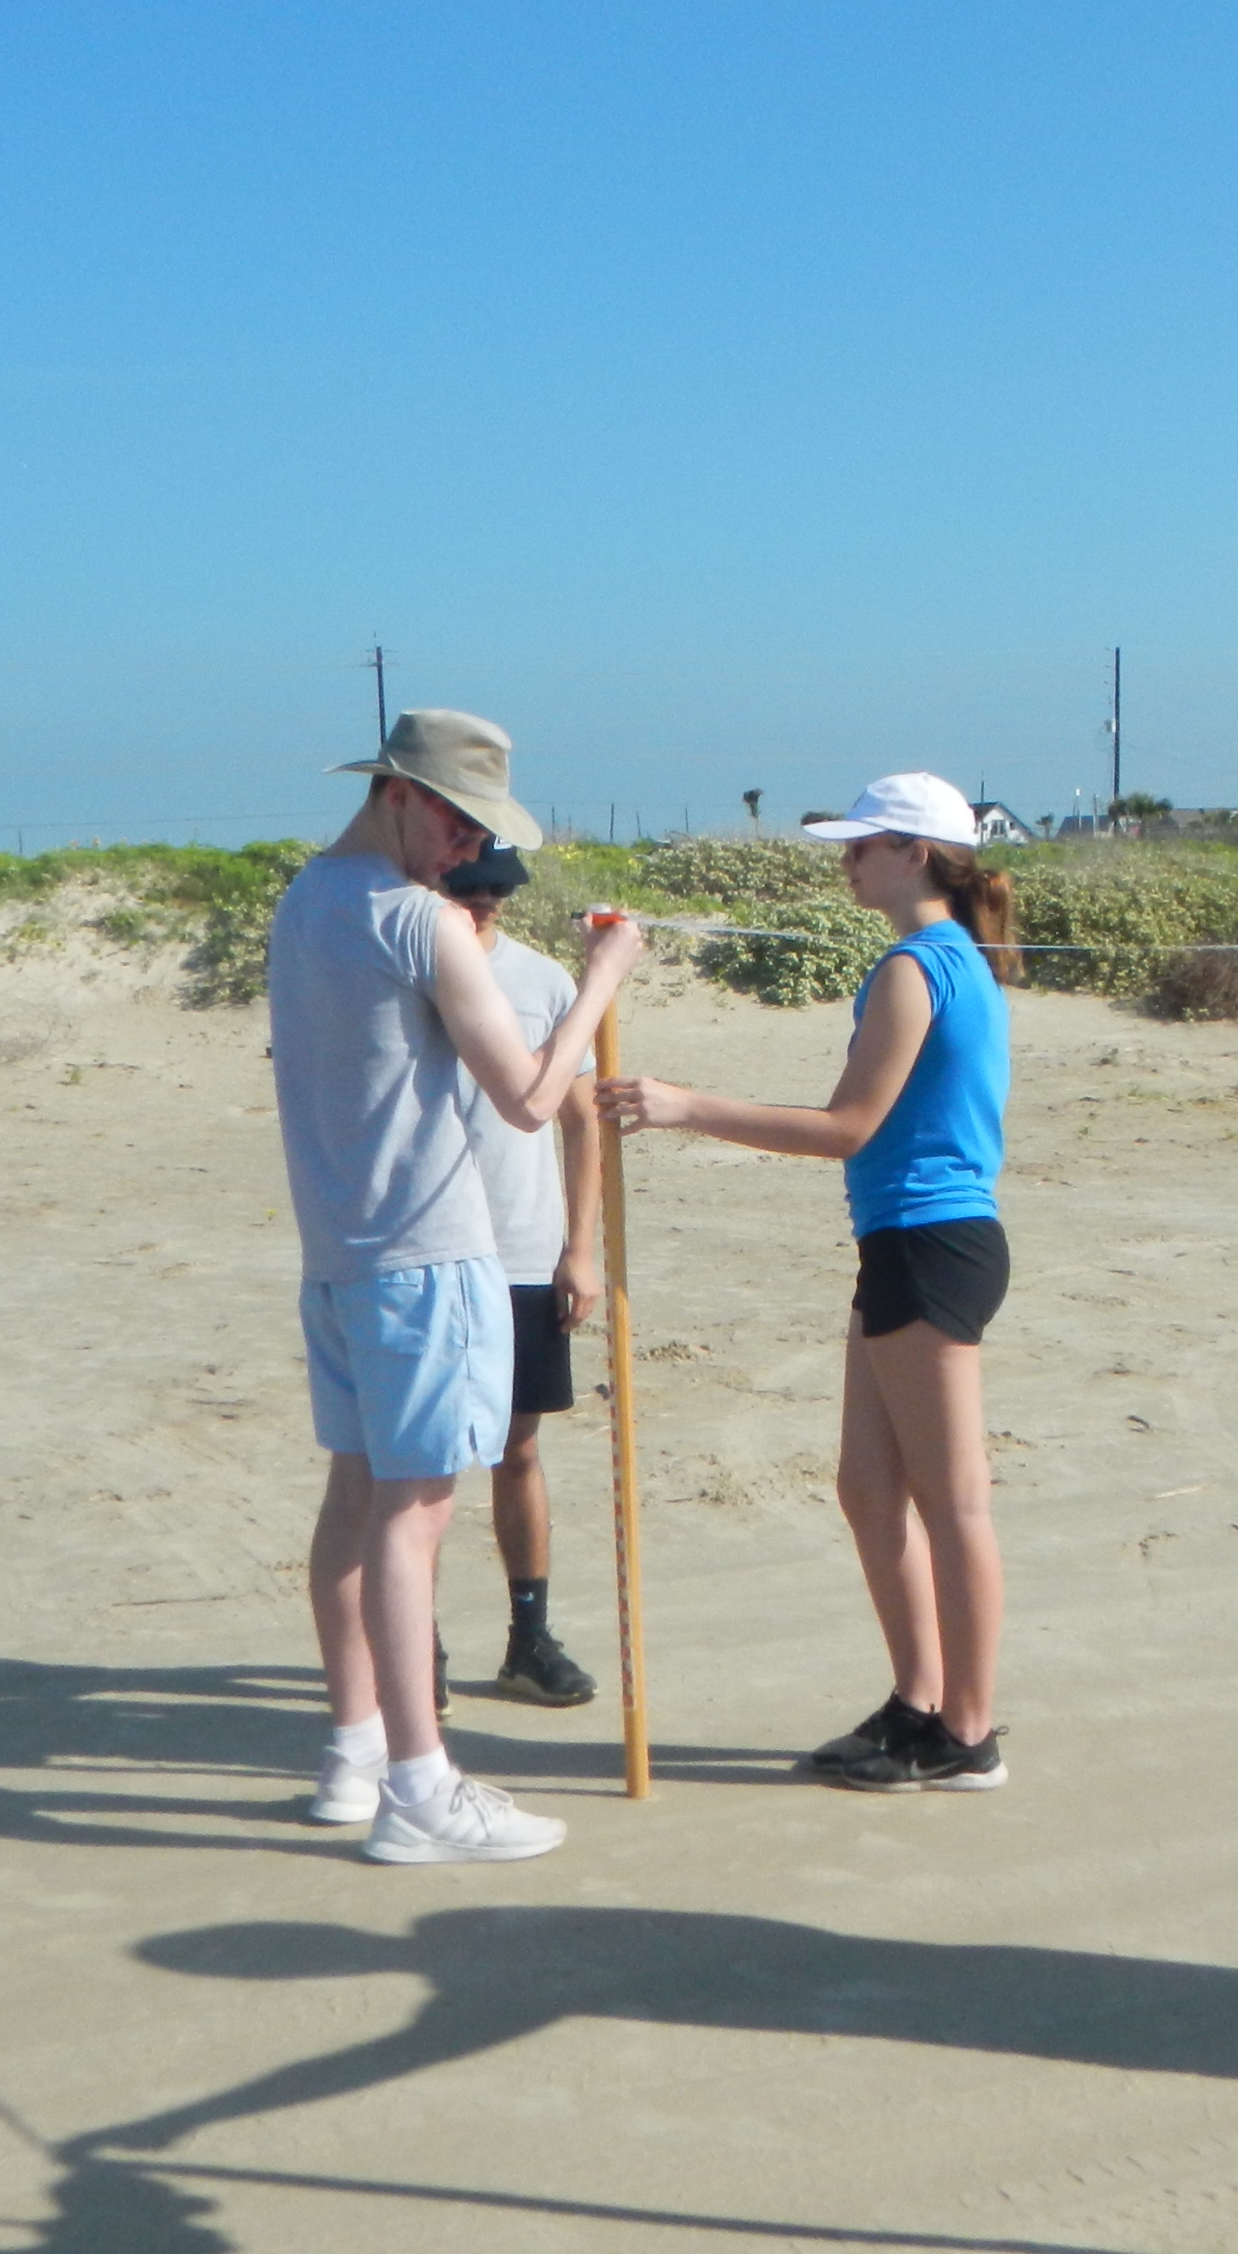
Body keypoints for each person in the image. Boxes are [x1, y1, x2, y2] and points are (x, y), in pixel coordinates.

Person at [269, 710, 644, 1864]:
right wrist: (602, 977)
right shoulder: (413, 918)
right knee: (413, 1513)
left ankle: (356, 1752)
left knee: (358, 1496)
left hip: (339, 1258)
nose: (470, 847)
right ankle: (420, 1787)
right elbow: (533, 1097)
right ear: (400, 795)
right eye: (460, 818)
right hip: (424, 1257)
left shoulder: (303, 902)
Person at [603, 773, 1018, 1794]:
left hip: (932, 1242)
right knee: (868, 1486)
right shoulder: (943, 959)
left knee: (952, 1501)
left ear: (914, 853)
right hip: (906, 1243)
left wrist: (683, 1104)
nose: (847, 860)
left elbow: (847, 1129)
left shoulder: (918, 968)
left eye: (863, 844)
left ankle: (965, 1731)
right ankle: (916, 1700)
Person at [439, 841, 606, 1709]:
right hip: (429, 1250)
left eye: (492, 900)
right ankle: (414, 1642)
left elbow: (579, 1120)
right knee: (419, 1459)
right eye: (464, 895)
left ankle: (528, 1637)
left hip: (524, 1249)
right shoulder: (404, 968)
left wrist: (580, 1247)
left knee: (520, 1446)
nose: (478, 911)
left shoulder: (540, 982)